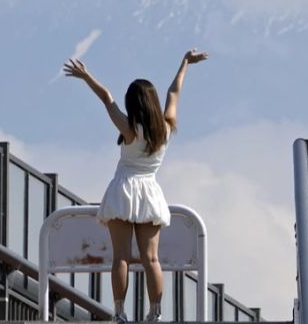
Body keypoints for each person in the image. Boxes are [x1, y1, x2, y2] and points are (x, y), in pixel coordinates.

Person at [63, 50, 208, 322]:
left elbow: (107, 99)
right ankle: (155, 312)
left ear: (133, 103)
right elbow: (174, 92)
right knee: (151, 259)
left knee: (121, 257)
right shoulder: (165, 129)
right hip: (150, 192)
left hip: (123, 190)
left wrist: (86, 77)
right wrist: (185, 62)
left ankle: (119, 312)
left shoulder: (129, 128)